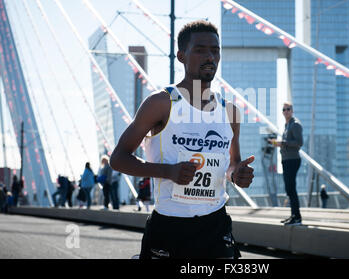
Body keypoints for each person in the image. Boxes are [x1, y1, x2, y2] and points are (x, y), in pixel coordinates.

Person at [110, 20, 254, 259]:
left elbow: (231, 164)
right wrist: (169, 172)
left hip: (216, 224)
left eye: (215, 50)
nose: (210, 56)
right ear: (181, 56)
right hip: (169, 226)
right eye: (200, 50)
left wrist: (237, 174)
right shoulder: (161, 103)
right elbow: (118, 159)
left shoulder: (230, 112)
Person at [269, 101, 303, 225]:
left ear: (292, 110)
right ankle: (293, 215)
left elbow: (299, 142)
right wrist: (279, 143)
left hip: (292, 160)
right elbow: (288, 142)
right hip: (286, 160)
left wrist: (283, 143)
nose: (286, 111)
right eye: (284, 109)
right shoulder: (287, 125)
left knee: (291, 188)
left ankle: (297, 217)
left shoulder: (295, 125)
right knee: (289, 189)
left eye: (288, 109)